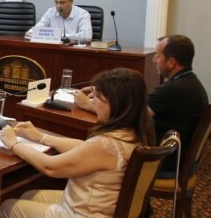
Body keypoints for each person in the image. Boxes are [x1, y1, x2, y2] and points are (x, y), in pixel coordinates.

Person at [0, 68, 154, 218]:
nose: (92, 102)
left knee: (8, 209)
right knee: (28, 195)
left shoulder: (106, 144)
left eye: (98, 98)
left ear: (118, 105)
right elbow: (84, 149)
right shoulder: (133, 133)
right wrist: (39, 136)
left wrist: (13, 144)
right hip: (107, 215)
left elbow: (49, 167)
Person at [74, 34, 207, 176]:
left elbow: (130, 116)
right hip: (177, 158)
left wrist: (88, 105)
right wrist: (105, 94)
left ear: (171, 62)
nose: (155, 60)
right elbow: (136, 105)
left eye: (158, 56)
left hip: (160, 162)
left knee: (101, 156)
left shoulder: (173, 89)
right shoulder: (192, 83)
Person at [25, 0, 92, 43]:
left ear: (71, 1)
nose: (58, 6)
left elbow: (87, 36)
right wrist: (31, 32)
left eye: (62, 3)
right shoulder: (51, 12)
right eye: (56, 2)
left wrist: (60, 36)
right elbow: (38, 28)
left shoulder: (83, 14)